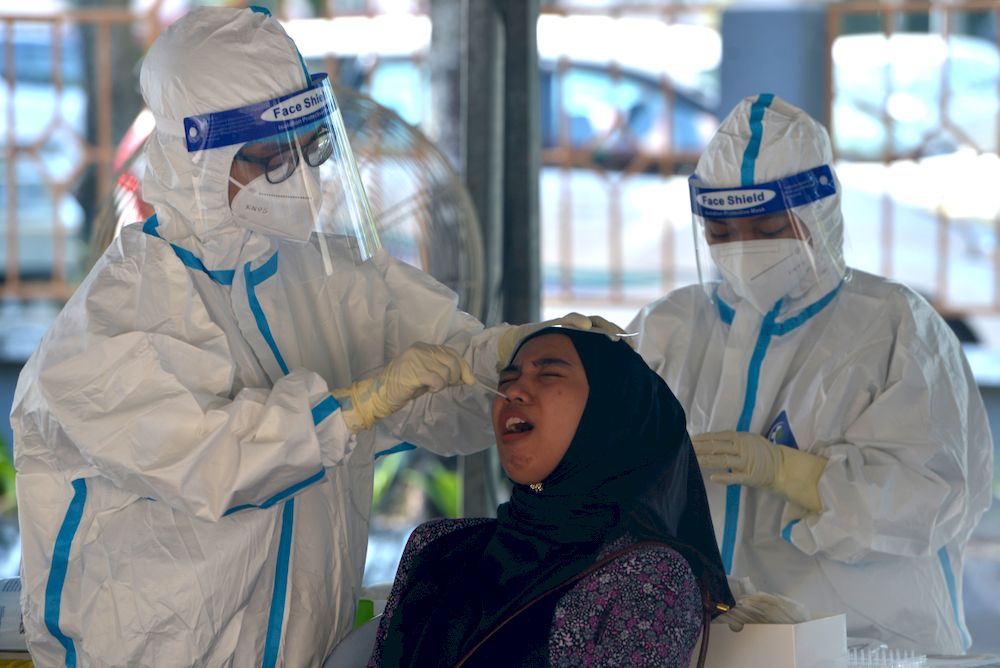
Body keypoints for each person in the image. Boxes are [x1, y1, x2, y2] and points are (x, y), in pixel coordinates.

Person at [9, 7, 616, 666]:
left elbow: (448, 398)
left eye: (310, 149)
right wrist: (355, 407)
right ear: (198, 159)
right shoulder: (114, 320)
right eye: (271, 156)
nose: (299, 177)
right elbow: (215, 463)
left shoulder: (334, 281)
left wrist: (509, 360)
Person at [629, 93, 993, 654]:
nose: (744, 249)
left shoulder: (894, 326)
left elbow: (935, 497)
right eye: (721, 235)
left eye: (769, 227)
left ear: (817, 212)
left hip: (865, 644)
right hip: (703, 641)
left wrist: (794, 474)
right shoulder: (670, 327)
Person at [367, 327, 734, 667]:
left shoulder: (647, 574)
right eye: (506, 379)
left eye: (548, 374)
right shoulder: (437, 546)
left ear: (609, 409)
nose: (512, 391)